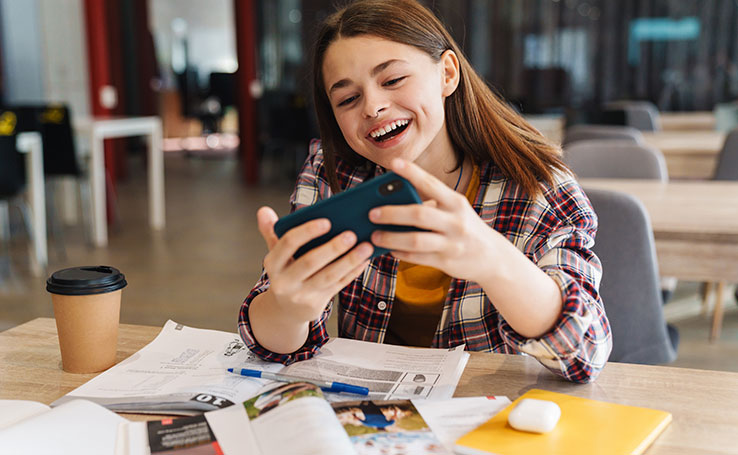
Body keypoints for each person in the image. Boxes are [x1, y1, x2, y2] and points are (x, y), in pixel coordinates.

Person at [239, 0, 611, 383]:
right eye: (348, 99)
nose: (373, 107)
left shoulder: (538, 187)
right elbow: (269, 343)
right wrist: (288, 307)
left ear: (448, 74)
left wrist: (492, 259)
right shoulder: (332, 174)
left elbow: (586, 353)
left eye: (393, 80)